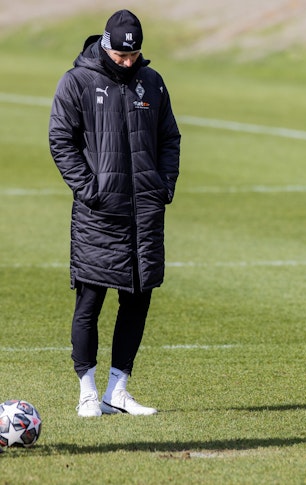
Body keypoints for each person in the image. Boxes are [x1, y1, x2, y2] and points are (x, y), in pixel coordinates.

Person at [48, 10, 181, 417]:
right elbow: (60, 139)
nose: (127, 61)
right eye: (121, 55)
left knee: (138, 300)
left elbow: (169, 138)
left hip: (144, 212)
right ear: (105, 44)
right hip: (99, 214)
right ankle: (87, 391)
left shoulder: (152, 82)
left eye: (134, 55)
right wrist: (91, 191)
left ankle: (117, 389)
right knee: (90, 301)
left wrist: (163, 187)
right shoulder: (77, 82)